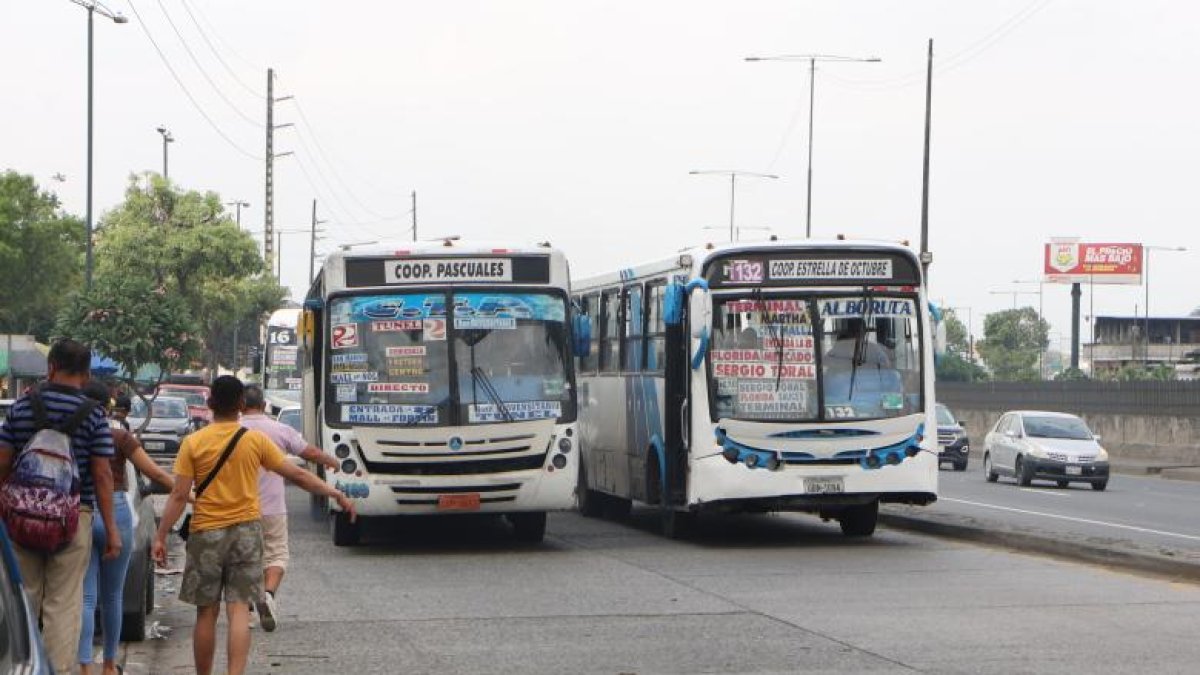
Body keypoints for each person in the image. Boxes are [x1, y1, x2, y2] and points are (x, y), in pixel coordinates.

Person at [152, 376, 356, 675]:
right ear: (240, 405)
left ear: (209, 404)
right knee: (238, 611)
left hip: (206, 532)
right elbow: (298, 476)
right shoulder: (254, 440)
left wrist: (160, 536)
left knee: (205, 613)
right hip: (247, 533)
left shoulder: (193, 443)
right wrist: (335, 492)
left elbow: (180, 495)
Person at [0, 339, 120, 674]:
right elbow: (102, 474)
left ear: (50, 367)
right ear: (85, 374)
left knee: (23, 599)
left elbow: (3, 462)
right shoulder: (94, 415)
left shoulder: (22, 408)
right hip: (73, 518)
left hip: (19, 519)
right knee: (64, 603)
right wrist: (111, 530)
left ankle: (21, 667)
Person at [78, 382, 176, 675]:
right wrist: (192, 495)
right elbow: (155, 472)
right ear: (109, 407)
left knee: (85, 596)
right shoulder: (120, 437)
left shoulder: (74, 435)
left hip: (81, 509)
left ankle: (84, 666)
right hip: (118, 510)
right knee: (112, 596)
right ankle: (109, 665)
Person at [238, 384, 339, 632]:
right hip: (272, 506)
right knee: (276, 555)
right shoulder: (279, 429)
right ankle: (269, 595)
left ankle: (249, 608)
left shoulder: (230, 430)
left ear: (240, 406)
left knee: (244, 559)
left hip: (238, 509)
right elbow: (309, 452)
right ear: (264, 406)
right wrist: (331, 460)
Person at [825, 318, 892, 370]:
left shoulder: (874, 349)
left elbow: (886, 364)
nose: (856, 335)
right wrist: (842, 364)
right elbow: (826, 361)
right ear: (849, 332)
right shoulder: (840, 348)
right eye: (853, 331)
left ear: (865, 332)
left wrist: (870, 366)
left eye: (859, 331)